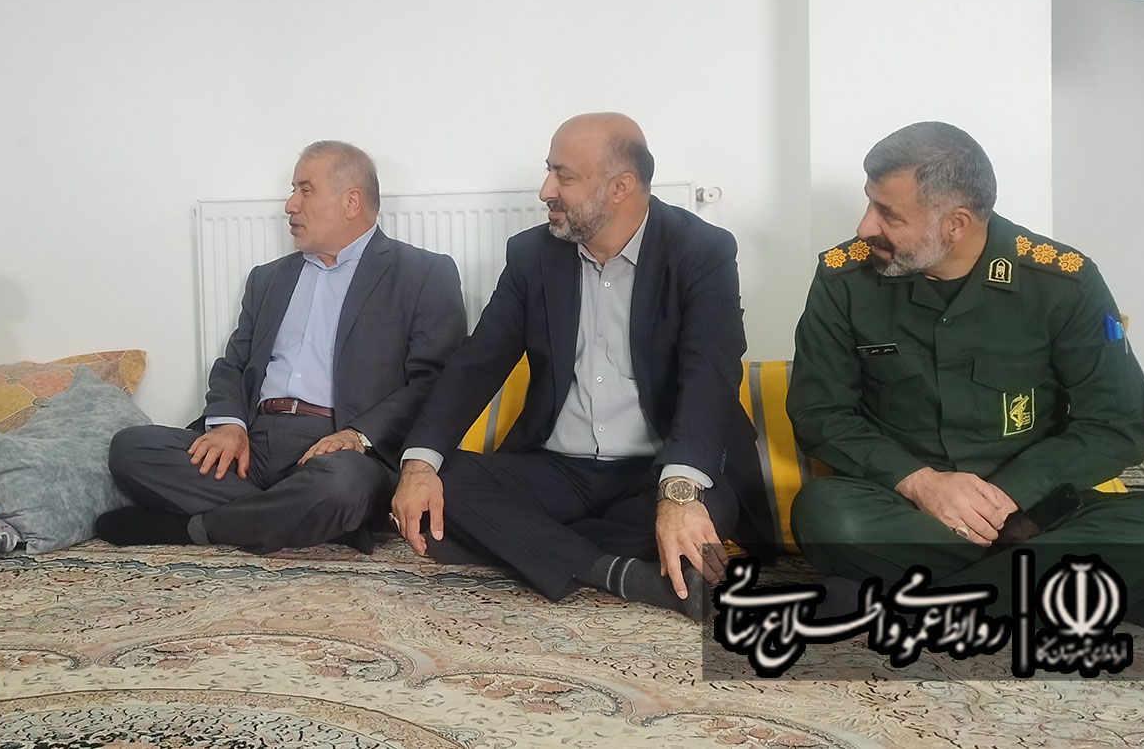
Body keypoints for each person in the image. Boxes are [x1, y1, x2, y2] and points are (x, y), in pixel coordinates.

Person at [788, 121, 1144, 625]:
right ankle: (1084, 588)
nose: (866, 227)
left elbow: (1116, 423)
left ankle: (907, 599)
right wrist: (922, 484)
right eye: (870, 203)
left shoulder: (1063, 282)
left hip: (1040, 513)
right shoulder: (843, 279)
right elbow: (820, 412)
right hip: (908, 510)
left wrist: (1009, 496)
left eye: (888, 213)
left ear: (956, 223)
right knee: (826, 516)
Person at [389, 113, 774, 619]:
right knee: (443, 485)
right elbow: (477, 361)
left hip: (656, 468)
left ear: (620, 187)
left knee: (704, 510)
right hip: (555, 468)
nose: (545, 190)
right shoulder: (533, 254)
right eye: (549, 170)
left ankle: (531, 546)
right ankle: (613, 571)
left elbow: (710, 374)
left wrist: (678, 495)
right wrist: (420, 465)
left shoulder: (701, 250)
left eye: (563, 176)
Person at [98, 141, 466, 553]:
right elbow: (233, 362)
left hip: (339, 448)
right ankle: (307, 519)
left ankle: (196, 529)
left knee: (341, 487)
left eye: (305, 190)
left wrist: (359, 435)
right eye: (293, 191)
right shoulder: (269, 278)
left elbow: (434, 381)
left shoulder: (423, 273)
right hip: (252, 441)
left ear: (351, 201)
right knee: (130, 449)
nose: (290, 206)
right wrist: (229, 425)